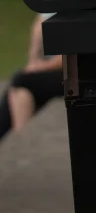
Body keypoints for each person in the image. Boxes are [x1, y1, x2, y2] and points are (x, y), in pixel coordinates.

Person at [0, 13, 62, 141]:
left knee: (22, 82)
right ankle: (20, 140)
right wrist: (34, 61)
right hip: (52, 69)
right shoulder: (51, 7)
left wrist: (40, 67)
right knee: (19, 87)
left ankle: (21, 141)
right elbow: (39, 24)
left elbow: (73, 55)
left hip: (76, 72)